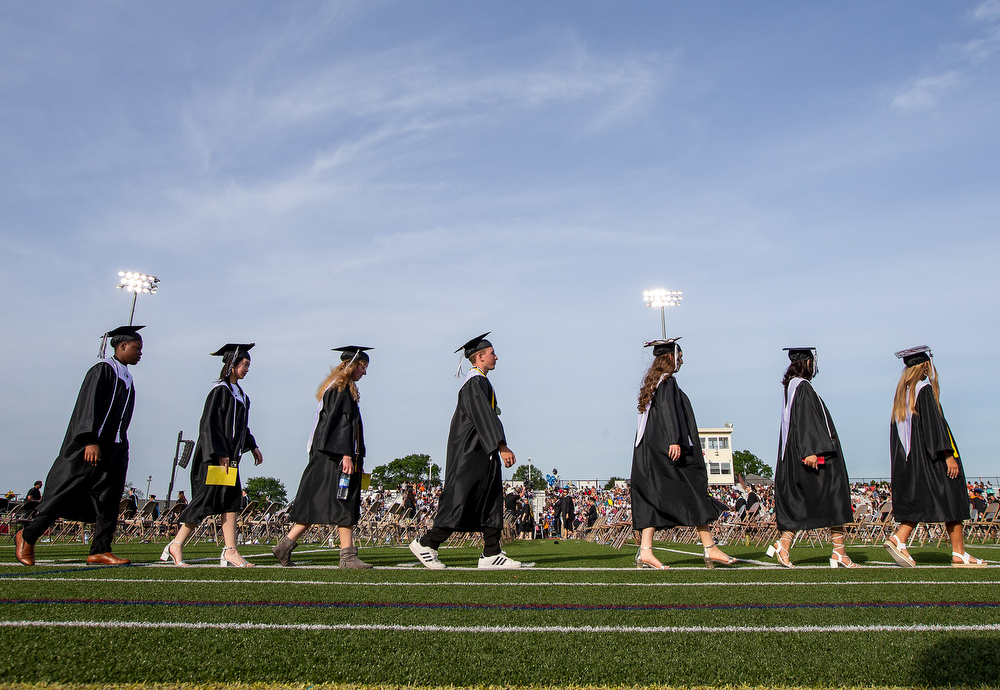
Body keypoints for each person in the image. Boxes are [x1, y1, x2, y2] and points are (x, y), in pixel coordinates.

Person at [15, 326, 144, 566]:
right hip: (93, 445)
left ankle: (99, 550)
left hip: (115, 447)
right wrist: (89, 440)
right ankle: (27, 535)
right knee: (67, 492)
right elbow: (88, 405)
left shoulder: (126, 376)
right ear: (121, 346)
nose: (140, 353)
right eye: (137, 348)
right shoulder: (104, 369)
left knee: (108, 498)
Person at [410, 333, 521, 569]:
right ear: (479, 357)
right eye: (492, 353)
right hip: (469, 454)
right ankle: (427, 543)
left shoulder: (481, 382)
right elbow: (484, 416)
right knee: (460, 499)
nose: (496, 357)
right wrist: (501, 445)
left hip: (482, 452)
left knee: (491, 498)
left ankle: (491, 553)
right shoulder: (474, 382)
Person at [629, 338, 736, 570]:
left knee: (652, 497)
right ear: (669, 357)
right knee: (693, 491)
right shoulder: (667, 383)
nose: (680, 361)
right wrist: (674, 440)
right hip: (668, 450)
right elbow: (669, 412)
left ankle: (646, 551)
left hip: (649, 453)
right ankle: (710, 548)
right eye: (678, 356)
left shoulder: (653, 384)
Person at [160, 344, 264, 568]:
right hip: (215, 459)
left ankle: (230, 550)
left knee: (230, 501)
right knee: (204, 501)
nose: (247, 369)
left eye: (248, 365)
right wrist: (220, 453)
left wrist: (252, 445)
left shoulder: (241, 396)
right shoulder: (220, 391)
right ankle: (176, 544)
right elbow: (209, 425)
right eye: (244, 365)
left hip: (230, 458)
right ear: (232, 364)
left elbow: (241, 427)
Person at [883, 346, 985, 567]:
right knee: (953, 494)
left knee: (924, 499)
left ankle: (904, 540)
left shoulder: (903, 394)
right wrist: (947, 454)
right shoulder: (924, 389)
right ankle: (953, 552)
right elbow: (934, 426)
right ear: (926, 365)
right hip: (933, 457)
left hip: (913, 461)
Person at [273, 346, 373, 569]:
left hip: (327, 455)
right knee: (343, 500)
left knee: (318, 502)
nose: (364, 372)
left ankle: (284, 546)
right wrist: (346, 454)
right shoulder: (340, 389)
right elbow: (338, 425)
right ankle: (347, 556)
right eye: (363, 367)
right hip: (335, 457)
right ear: (352, 365)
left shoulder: (339, 388)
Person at [767, 347, 855, 568]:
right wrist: (810, 450)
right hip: (813, 454)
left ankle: (786, 546)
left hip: (799, 453)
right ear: (806, 363)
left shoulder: (792, 387)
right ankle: (838, 553)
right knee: (833, 495)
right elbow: (806, 418)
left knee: (804, 500)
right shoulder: (802, 387)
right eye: (811, 362)